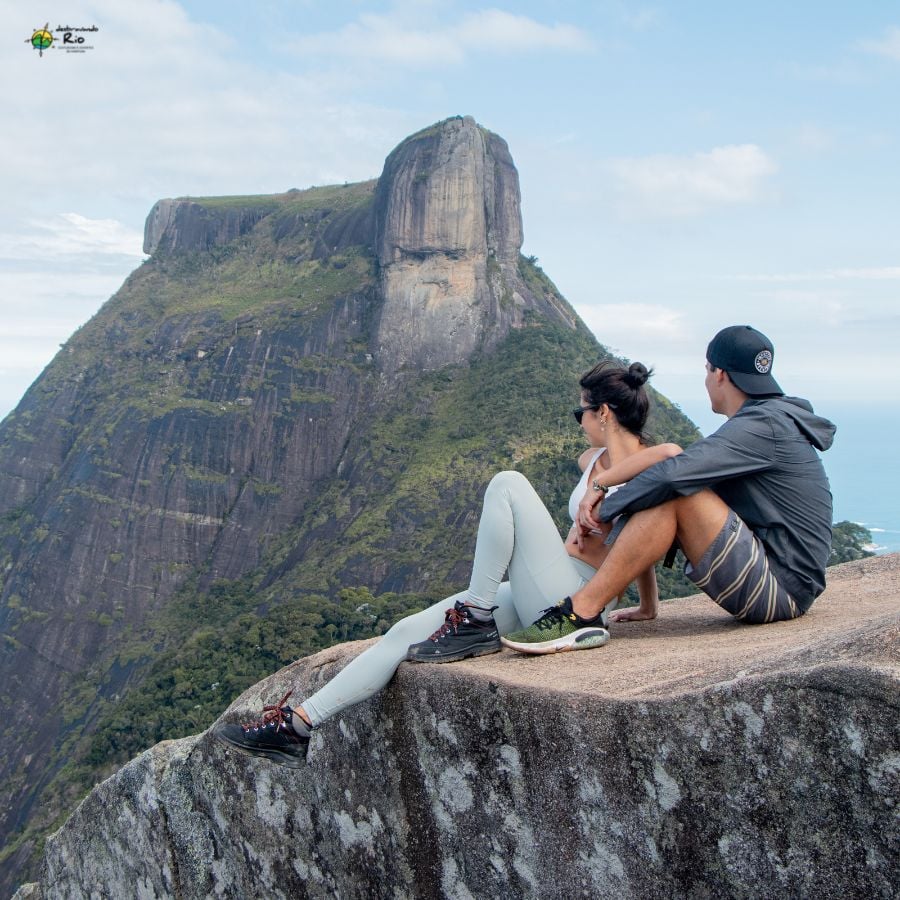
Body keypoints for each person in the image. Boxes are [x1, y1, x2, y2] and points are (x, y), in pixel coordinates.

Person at [214, 360, 682, 766]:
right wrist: (647, 606)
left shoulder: (648, 463)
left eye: (581, 411)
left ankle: (475, 617)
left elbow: (667, 470)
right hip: (544, 584)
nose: (578, 420)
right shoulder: (592, 459)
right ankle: (297, 726)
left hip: (574, 596)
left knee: (508, 483)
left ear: (603, 413)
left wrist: (645, 597)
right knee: (404, 632)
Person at [500, 325, 835, 656]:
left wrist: (603, 507)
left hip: (780, 590)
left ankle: (581, 613)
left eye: (707, 371)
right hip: (781, 579)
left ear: (718, 374)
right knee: (670, 488)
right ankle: (590, 610)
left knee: (676, 492)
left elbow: (673, 474)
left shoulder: (762, 426)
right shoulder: (767, 421)